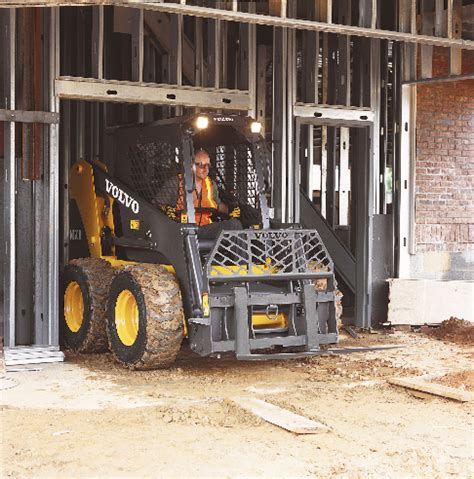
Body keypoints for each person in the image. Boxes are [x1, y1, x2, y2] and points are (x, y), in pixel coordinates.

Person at [173, 149, 242, 239]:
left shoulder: (211, 184)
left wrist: (232, 211)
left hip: (205, 228)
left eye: (208, 165)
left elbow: (217, 204)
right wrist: (168, 213)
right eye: (202, 165)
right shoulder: (176, 183)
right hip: (183, 229)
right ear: (191, 166)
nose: (206, 169)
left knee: (234, 224)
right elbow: (158, 206)